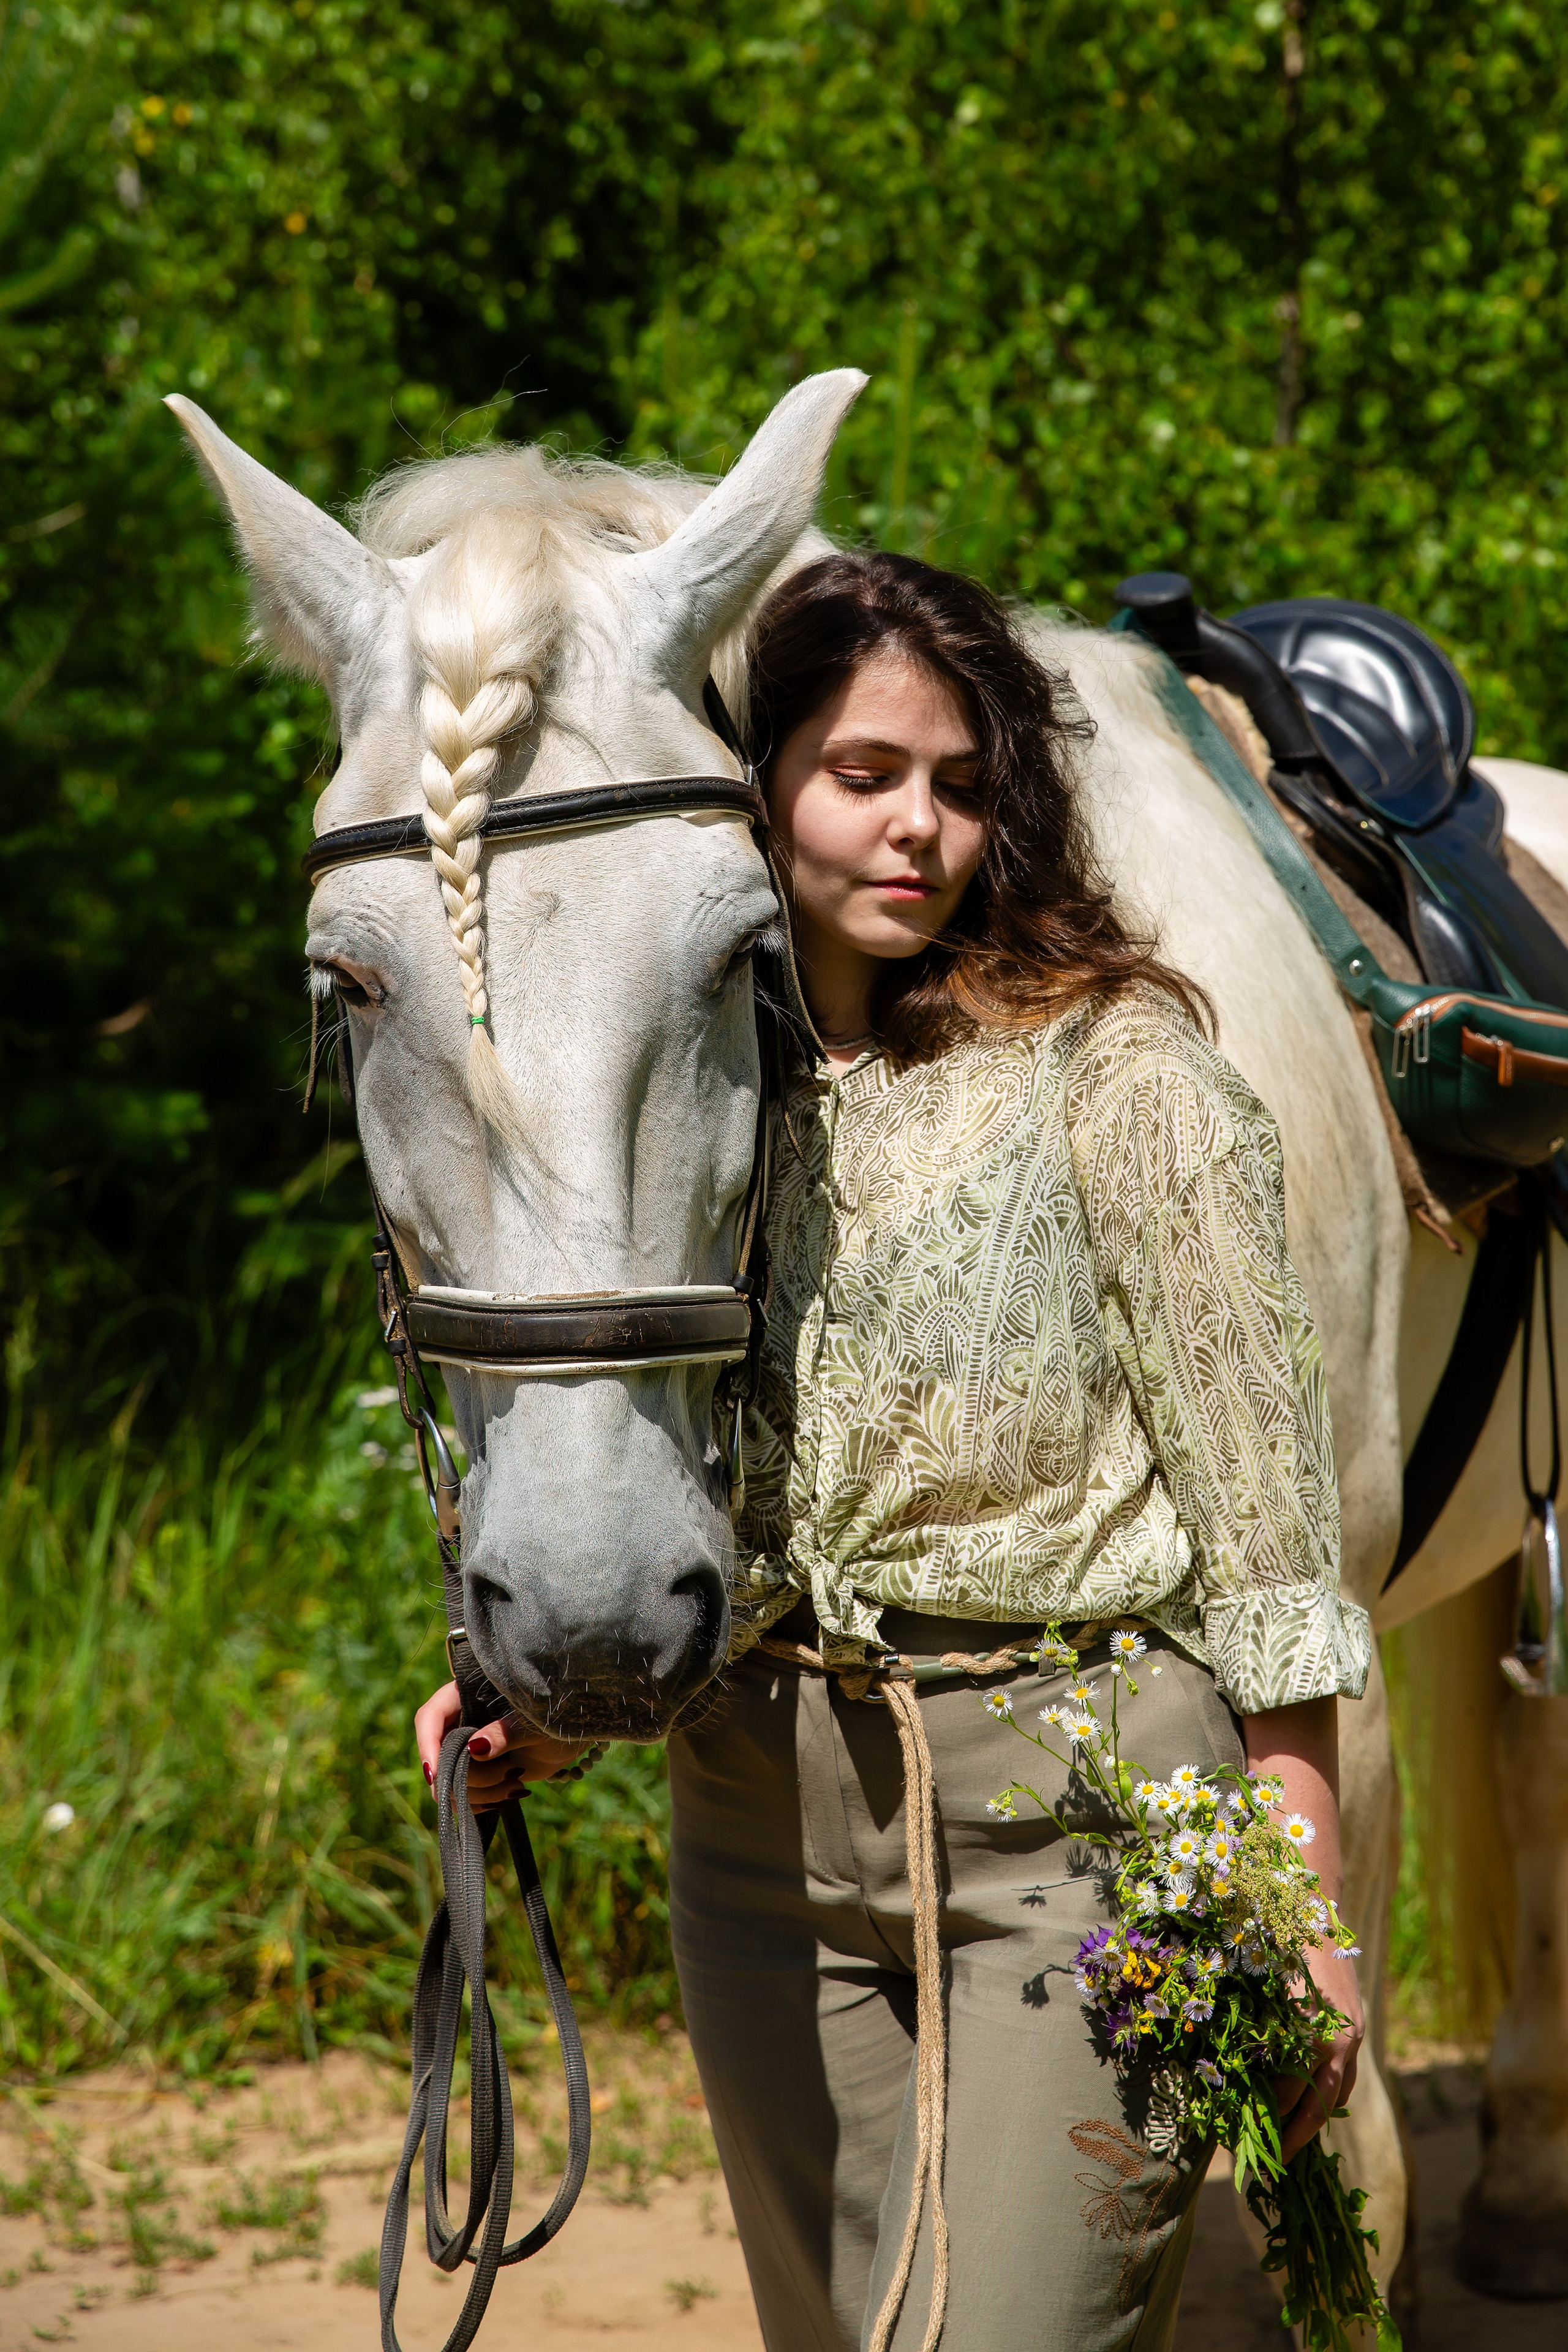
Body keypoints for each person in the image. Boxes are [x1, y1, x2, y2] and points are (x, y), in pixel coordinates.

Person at [413, 552, 1371, 2351]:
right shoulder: (701, 1111)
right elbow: (684, 1479)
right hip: (754, 1827)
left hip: (1082, 1834)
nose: (919, 827)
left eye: (960, 781)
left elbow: (1270, 1545)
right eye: (864, 776)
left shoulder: (1126, 1077)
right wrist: (546, 1698)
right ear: (757, 788)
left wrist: (1301, 1900)